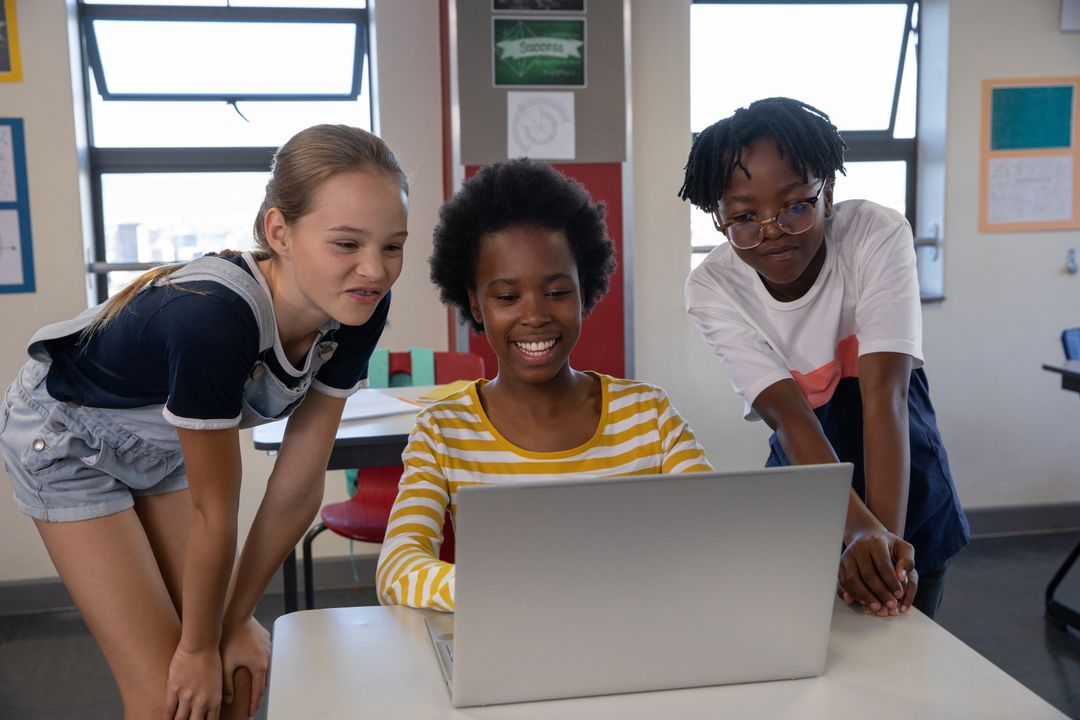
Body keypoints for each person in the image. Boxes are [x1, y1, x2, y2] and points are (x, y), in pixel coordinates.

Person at [0, 124, 409, 719]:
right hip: (64, 440)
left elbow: (297, 486)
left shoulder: (358, 308)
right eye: (346, 244)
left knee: (232, 676)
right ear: (280, 232)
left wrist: (234, 621)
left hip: (156, 449)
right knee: (169, 696)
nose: (373, 270)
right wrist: (196, 645)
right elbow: (215, 512)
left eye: (392, 246)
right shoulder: (214, 320)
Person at [376, 158, 713, 611]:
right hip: (511, 642)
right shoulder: (442, 432)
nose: (535, 316)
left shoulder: (648, 416)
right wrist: (511, 592)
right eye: (507, 297)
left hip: (636, 635)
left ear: (583, 290)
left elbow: (716, 530)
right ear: (475, 303)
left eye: (556, 292)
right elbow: (397, 570)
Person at [680, 97, 969, 619]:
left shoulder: (874, 234)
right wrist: (859, 531)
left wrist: (885, 552)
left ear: (827, 193)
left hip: (906, 482)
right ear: (718, 219)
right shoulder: (713, 287)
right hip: (806, 486)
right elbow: (790, 416)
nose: (771, 230)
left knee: (905, 661)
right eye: (743, 216)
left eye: (795, 205)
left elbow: (887, 396)